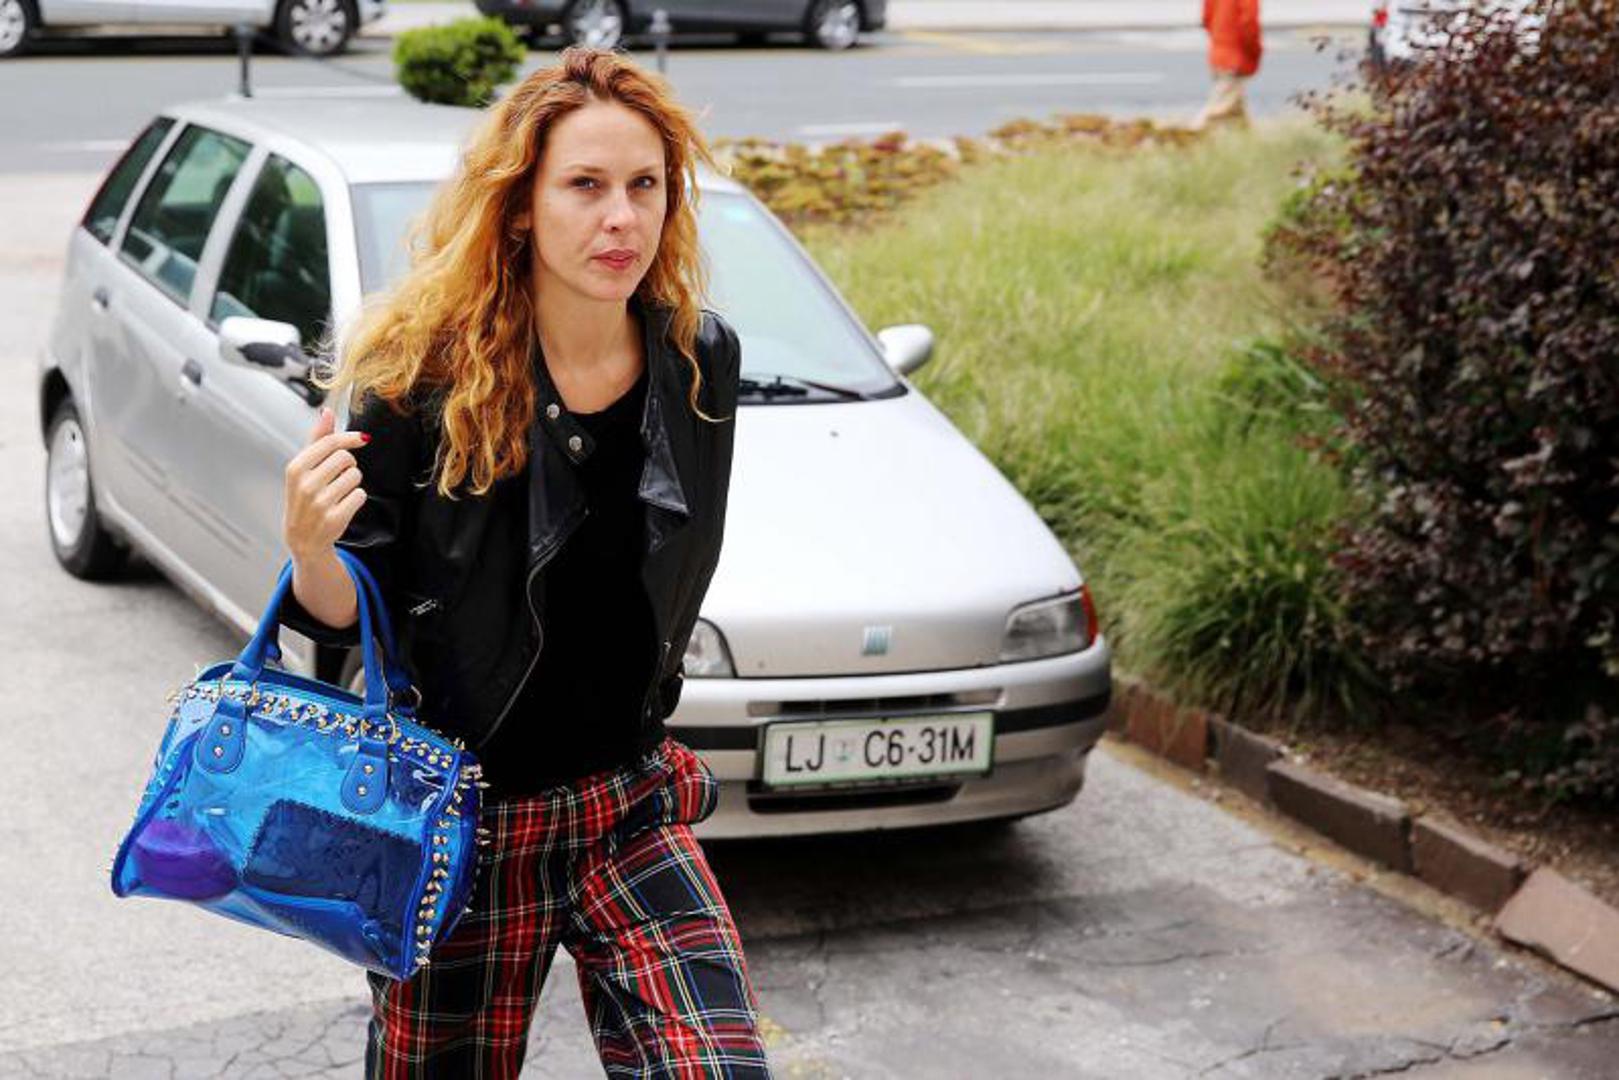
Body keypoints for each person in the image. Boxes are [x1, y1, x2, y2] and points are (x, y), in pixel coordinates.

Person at [276, 46, 772, 1079]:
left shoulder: (698, 359)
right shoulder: (416, 378)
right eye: (584, 186)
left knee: (716, 1066)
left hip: (628, 800)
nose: (621, 219)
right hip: (461, 820)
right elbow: (341, 612)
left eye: (644, 186)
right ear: (518, 207)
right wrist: (309, 545)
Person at [1195, 0, 1263, 129]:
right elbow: (1249, 24)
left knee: (1236, 110)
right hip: (1236, 57)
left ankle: (1248, 137)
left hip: (1218, 52)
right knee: (1217, 108)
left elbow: (1206, 18)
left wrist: (1219, 40)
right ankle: (1188, 137)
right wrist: (1255, 51)